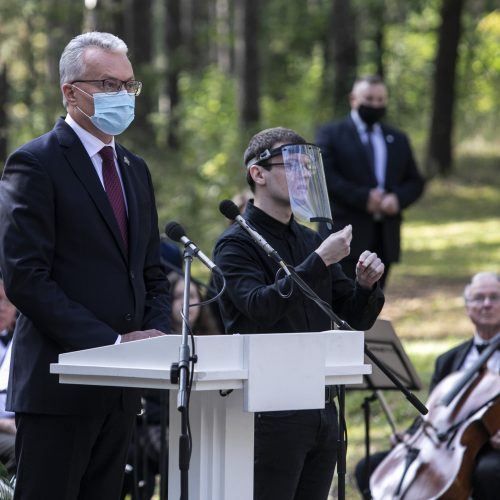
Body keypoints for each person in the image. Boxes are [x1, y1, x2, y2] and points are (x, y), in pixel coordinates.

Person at [0, 32, 170, 500]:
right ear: (70, 93)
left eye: (128, 86)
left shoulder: (134, 168)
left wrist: (150, 341)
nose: (122, 96)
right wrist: (112, 344)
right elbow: (25, 278)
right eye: (108, 84)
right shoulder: (34, 163)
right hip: (59, 388)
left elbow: (152, 273)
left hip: (121, 393)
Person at [213, 127, 386, 500]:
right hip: (269, 409)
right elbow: (260, 307)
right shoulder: (235, 244)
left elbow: (351, 318)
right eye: (292, 165)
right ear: (257, 174)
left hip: (322, 404)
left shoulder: (308, 240)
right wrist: (320, 261)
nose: (304, 174)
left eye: (308, 166)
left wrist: (365, 286)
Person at [355, 271, 500, 500]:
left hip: (490, 448)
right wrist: (412, 435)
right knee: (368, 467)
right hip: (442, 447)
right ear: (467, 307)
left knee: (489, 472)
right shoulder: (449, 359)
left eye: (494, 297)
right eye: (478, 298)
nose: (486, 304)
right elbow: (432, 411)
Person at [315, 75, 425, 288]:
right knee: (338, 304)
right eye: (370, 99)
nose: (375, 104)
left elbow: (415, 181)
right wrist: (364, 198)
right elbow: (325, 176)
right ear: (353, 99)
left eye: (380, 100)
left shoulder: (397, 138)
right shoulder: (331, 134)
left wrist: (397, 199)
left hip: (384, 237)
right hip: (343, 236)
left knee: (372, 305)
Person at [0, 279, 17, 476]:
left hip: (16, 424)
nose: (1, 308)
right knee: (18, 449)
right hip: (6, 428)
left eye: (7, 302)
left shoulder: (19, 344)